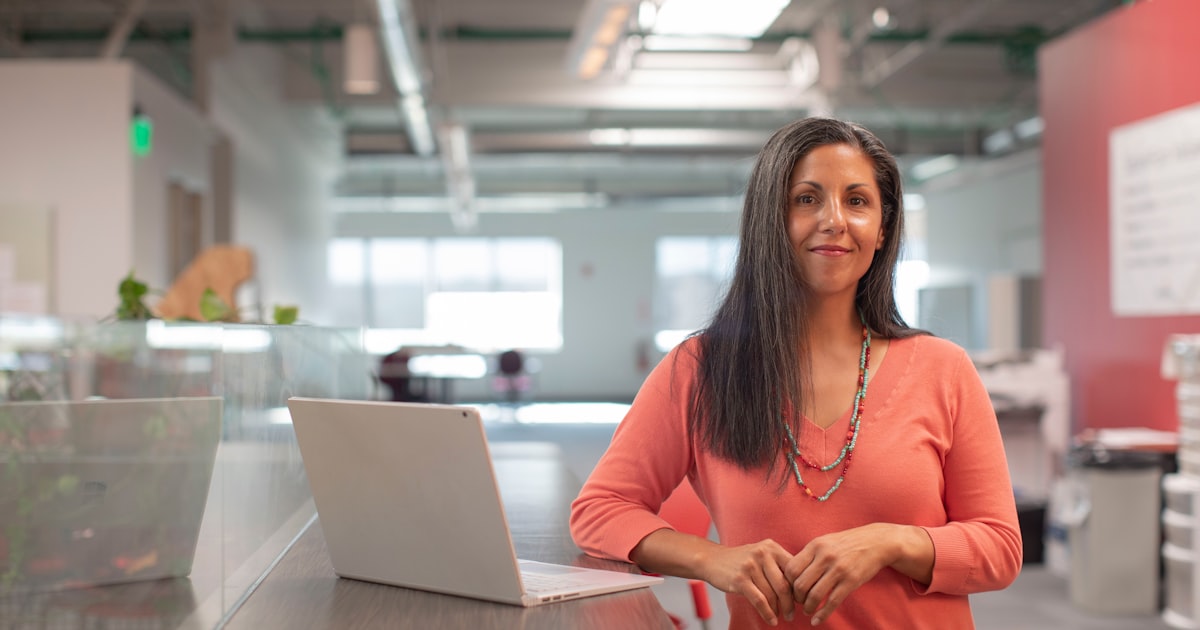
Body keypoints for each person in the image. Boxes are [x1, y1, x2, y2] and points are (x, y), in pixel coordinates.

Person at [569, 117, 1021, 629]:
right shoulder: (700, 370)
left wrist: (893, 540)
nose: (834, 220)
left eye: (857, 201)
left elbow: (1001, 547)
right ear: (771, 220)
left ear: (883, 229)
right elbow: (599, 510)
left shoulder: (944, 370)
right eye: (807, 199)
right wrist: (711, 559)